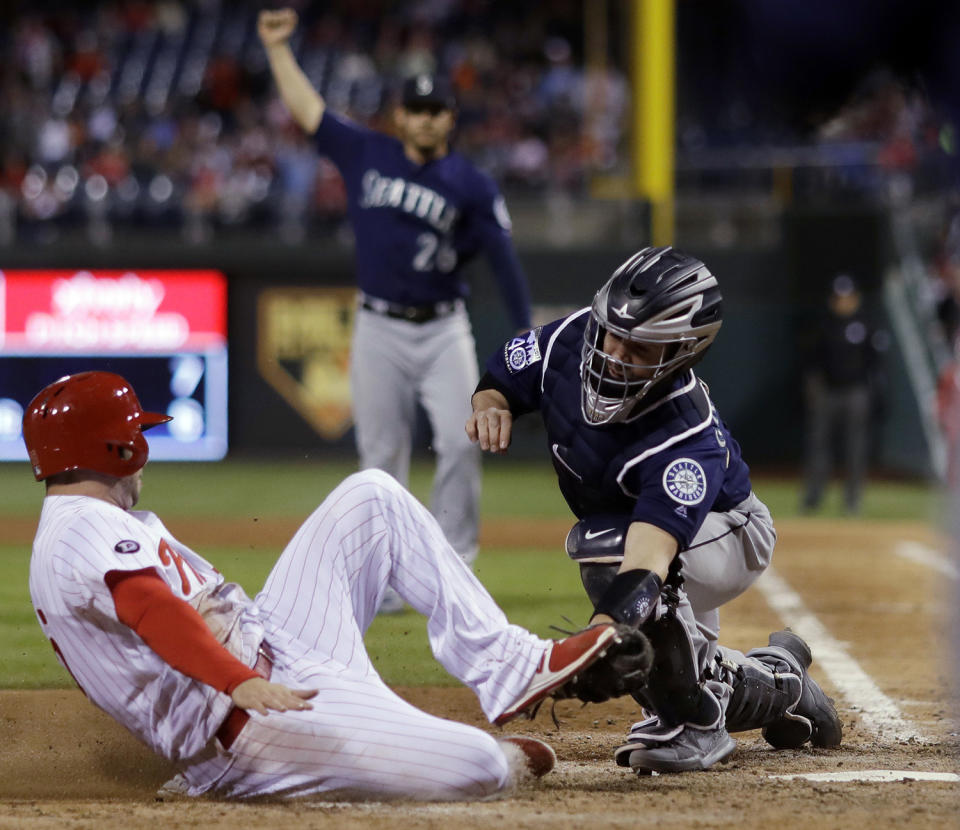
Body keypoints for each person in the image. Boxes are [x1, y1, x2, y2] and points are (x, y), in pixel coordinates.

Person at [24, 370, 630, 801]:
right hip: (248, 726)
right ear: (119, 447)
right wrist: (242, 682)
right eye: (140, 434)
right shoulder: (80, 528)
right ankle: (388, 758)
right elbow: (149, 606)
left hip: (277, 647)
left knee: (372, 497)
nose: (147, 447)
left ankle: (512, 667)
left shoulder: (87, 521)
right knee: (480, 768)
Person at [466, 246, 842, 774]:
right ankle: (782, 680)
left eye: (638, 347)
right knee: (687, 672)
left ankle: (692, 727)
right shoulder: (571, 338)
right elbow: (502, 377)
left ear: (682, 353)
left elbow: (647, 559)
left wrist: (596, 638)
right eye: (610, 333)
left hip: (727, 533)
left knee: (612, 560)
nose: (613, 352)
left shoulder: (684, 436)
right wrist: (491, 406)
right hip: (648, 531)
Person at [257, 9, 533, 593]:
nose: (426, 120)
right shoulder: (366, 153)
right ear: (399, 115)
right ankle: (381, 578)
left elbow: (504, 263)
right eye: (416, 110)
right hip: (378, 324)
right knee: (380, 457)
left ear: (450, 119)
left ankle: (455, 568)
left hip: (443, 328)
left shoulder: (473, 185)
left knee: (463, 440)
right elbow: (308, 111)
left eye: (436, 111)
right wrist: (278, 49)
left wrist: (523, 332)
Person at [800, 274, 886, 514]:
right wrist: (812, 389)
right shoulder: (823, 326)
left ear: (856, 299)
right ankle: (813, 498)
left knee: (855, 448)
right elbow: (812, 363)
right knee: (818, 446)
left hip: (856, 392)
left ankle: (852, 501)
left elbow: (876, 362)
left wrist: (875, 393)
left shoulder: (866, 325)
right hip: (827, 392)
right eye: (839, 298)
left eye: (847, 297)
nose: (843, 302)